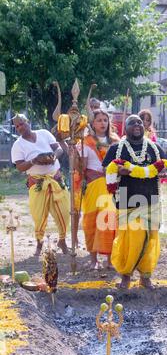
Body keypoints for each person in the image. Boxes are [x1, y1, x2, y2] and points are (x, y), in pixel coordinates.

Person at [102, 114, 167, 289]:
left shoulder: (154, 147)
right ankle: (126, 275)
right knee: (130, 239)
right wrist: (118, 172)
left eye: (139, 122)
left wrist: (165, 172)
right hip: (126, 201)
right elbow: (106, 170)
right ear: (124, 129)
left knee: (150, 239)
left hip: (151, 200)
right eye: (132, 122)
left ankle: (145, 276)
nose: (137, 124)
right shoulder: (116, 149)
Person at [11, 114, 70, 256]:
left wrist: (53, 157)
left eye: (22, 123)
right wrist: (34, 161)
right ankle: (39, 241)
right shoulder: (18, 145)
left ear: (28, 122)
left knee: (64, 212)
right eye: (17, 126)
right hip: (37, 183)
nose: (20, 127)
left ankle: (62, 240)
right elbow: (19, 167)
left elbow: (59, 149)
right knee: (39, 216)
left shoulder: (44, 133)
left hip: (55, 179)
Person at [80, 109, 120, 269]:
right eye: (99, 120)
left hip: (111, 186)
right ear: (92, 123)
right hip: (92, 186)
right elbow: (81, 168)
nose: (103, 123)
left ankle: (110, 260)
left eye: (105, 120)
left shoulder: (116, 141)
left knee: (109, 220)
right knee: (91, 221)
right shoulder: (85, 142)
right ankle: (93, 260)